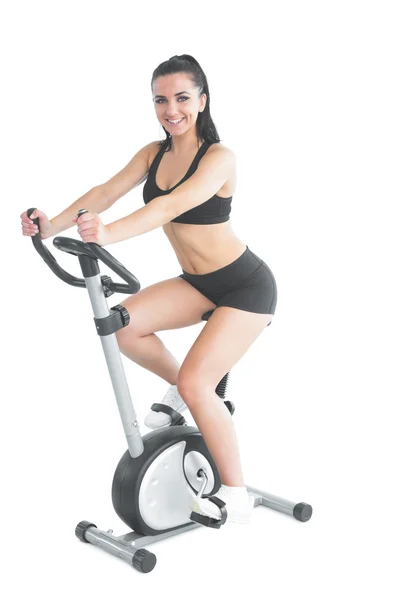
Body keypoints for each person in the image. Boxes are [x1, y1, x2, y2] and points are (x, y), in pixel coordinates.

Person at [21, 54, 277, 525]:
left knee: (196, 382)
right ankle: (193, 391)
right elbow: (104, 191)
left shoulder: (220, 158)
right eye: (161, 100)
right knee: (123, 327)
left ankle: (236, 494)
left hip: (244, 287)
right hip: (197, 283)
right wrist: (51, 224)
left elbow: (170, 207)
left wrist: (107, 234)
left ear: (202, 100)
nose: (171, 109)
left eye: (182, 97)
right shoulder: (152, 153)